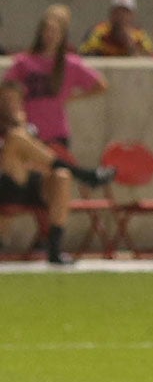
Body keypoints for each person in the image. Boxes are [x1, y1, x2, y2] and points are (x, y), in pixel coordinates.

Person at [0, 78, 104, 266]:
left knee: (62, 176)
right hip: (7, 185)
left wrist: (20, 124)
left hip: (30, 184)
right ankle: (85, 175)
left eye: (14, 100)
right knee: (15, 140)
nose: (10, 105)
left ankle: (54, 249)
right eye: (6, 100)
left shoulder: (28, 128)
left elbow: (38, 161)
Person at [5, 5, 106, 149]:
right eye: (47, 31)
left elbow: (100, 85)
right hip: (30, 130)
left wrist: (72, 97)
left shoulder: (70, 63)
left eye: (55, 32)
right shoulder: (24, 61)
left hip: (57, 132)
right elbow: (7, 87)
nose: (50, 36)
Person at [80, 0, 153, 57]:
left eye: (125, 12)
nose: (121, 16)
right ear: (111, 14)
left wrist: (131, 46)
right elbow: (84, 56)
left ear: (132, 15)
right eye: (117, 12)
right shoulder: (99, 32)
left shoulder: (140, 36)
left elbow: (149, 61)